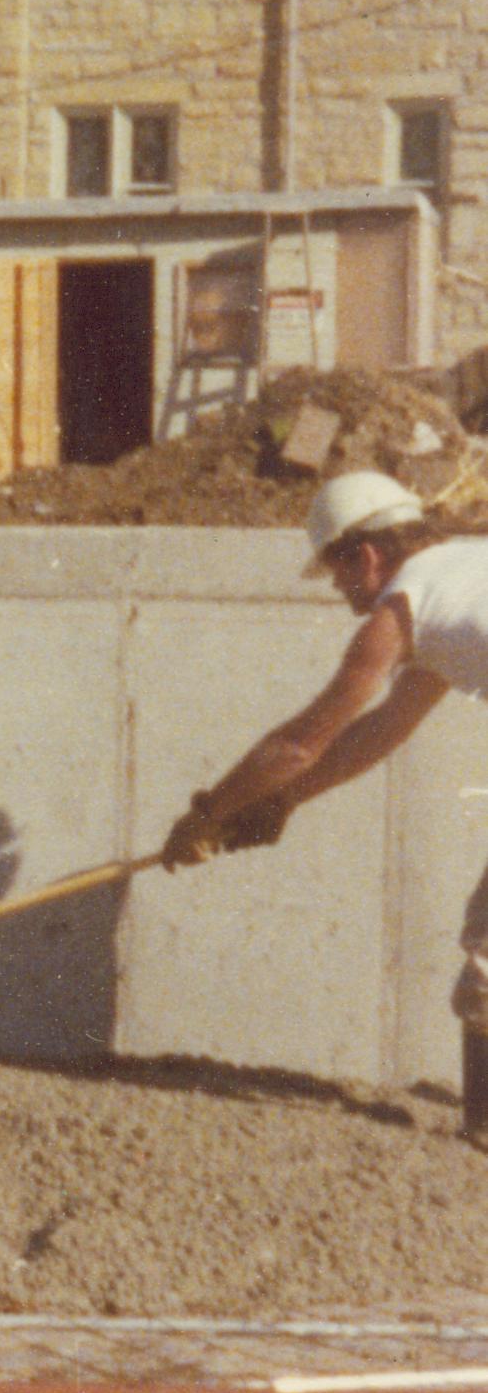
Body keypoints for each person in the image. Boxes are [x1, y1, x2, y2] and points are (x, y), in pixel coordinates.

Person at [162, 468, 488, 1140]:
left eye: (338, 571)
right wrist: (283, 806)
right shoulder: (457, 580)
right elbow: (385, 728)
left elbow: (299, 744)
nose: (339, 589)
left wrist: (211, 812)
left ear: (365, 554)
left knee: (487, 974)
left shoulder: (404, 606)